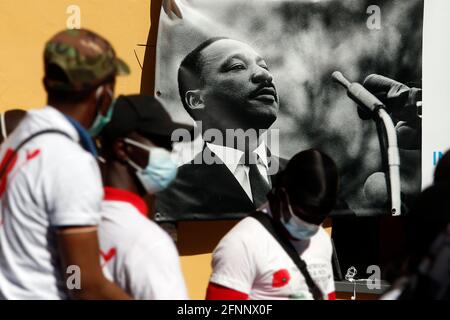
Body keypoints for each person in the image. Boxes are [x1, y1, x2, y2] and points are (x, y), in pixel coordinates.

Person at [0, 28, 131, 299]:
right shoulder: (69, 161)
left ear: (47, 83)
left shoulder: (17, 141)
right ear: (103, 95)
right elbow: (82, 281)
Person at [156, 37, 287, 220]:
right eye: (237, 67)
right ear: (197, 100)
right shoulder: (171, 194)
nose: (265, 75)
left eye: (264, 67)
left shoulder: (306, 179)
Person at [205, 149, 338, 300]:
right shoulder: (242, 243)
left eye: (317, 218)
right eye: (302, 215)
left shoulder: (322, 239)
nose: (310, 227)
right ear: (282, 196)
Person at [96, 94, 190, 299]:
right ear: (122, 149)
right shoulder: (149, 243)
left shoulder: (73, 222)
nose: (171, 153)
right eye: (161, 144)